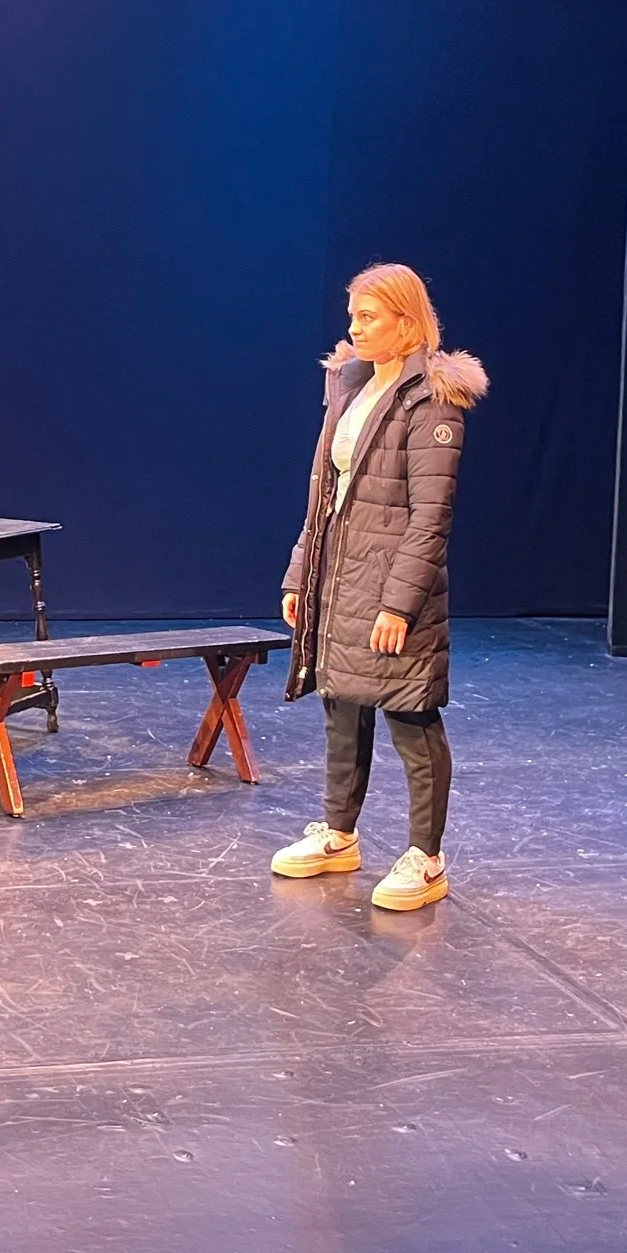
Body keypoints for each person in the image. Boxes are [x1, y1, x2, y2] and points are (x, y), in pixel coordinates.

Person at [273, 264, 487, 911]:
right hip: (338, 576)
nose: (353, 328)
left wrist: (399, 600)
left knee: (409, 713)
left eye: (367, 317)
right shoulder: (350, 384)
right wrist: (298, 574)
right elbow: (324, 495)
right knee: (340, 701)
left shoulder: (432, 398)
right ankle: (338, 833)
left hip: (393, 581)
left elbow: (430, 515)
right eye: (352, 317)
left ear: (405, 320)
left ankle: (426, 856)